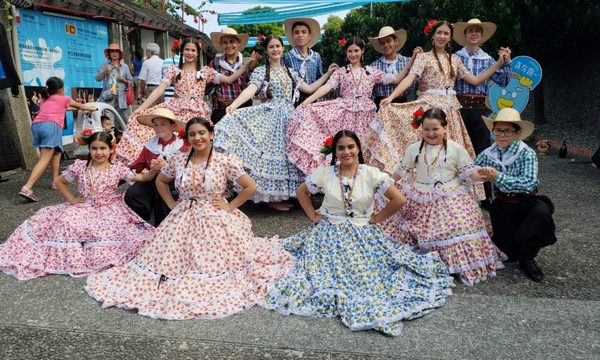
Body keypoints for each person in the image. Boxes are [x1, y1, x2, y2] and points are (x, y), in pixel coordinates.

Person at [85, 118, 293, 319]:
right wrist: (171, 204)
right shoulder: (179, 158)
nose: (197, 138)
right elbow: (161, 181)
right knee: (167, 259)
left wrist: (230, 206)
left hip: (214, 217)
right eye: (192, 134)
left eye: (202, 133)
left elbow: (250, 187)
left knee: (214, 261)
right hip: (183, 216)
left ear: (211, 134)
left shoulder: (223, 160)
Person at [261, 130, 453, 337]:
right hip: (328, 234)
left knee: (368, 275)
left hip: (362, 234)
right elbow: (302, 192)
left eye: (350, 147)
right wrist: (313, 215)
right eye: (341, 148)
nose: (346, 152)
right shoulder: (325, 173)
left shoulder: (370, 173)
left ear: (358, 148)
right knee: (325, 274)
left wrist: (377, 218)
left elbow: (399, 199)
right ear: (334, 151)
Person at [1, 132, 158, 280]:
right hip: (84, 205)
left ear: (111, 149)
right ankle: (70, 257)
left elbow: (141, 177)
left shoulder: (117, 167)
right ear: (89, 149)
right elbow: (59, 181)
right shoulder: (81, 166)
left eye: (103, 148)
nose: (98, 152)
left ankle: (96, 253)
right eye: (94, 148)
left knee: (109, 229)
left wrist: (154, 170)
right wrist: (72, 199)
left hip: (109, 207)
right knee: (67, 223)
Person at [364, 20, 510, 175]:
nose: (442, 36)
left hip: (451, 112)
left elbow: (475, 80)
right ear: (433, 36)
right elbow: (409, 78)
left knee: (451, 153)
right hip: (430, 108)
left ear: (450, 38)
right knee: (426, 150)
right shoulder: (423, 57)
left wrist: (499, 63)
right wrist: (391, 97)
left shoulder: (455, 59)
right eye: (439, 33)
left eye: (446, 33)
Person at [379, 108, 506, 286]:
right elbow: (400, 172)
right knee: (417, 231)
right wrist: (383, 186)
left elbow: (469, 173)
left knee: (460, 225)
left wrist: (483, 174)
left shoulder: (455, 148)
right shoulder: (414, 149)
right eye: (427, 129)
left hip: (451, 194)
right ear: (421, 129)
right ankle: (434, 262)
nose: (431, 133)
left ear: (445, 128)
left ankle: (459, 264)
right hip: (421, 197)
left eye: (435, 129)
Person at [214, 35, 335, 211]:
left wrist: (327, 74)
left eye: (278, 46)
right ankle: (271, 198)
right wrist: (235, 104)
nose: (275, 49)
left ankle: (284, 194)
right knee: (272, 153)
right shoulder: (262, 70)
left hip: (290, 116)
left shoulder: (290, 72)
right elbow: (252, 89)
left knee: (288, 156)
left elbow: (309, 89)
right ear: (267, 51)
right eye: (271, 47)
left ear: (282, 48)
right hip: (271, 115)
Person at [115, 38, 257, 165]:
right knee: (170, 139)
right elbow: (160, 90)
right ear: (182, 51)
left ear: (197, 53)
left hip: (198, 112)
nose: (190, 53)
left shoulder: (207, 71)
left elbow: (230, 79)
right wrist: (142, 108)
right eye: (187, 49)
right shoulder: (174, 70)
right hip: (177, 109)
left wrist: (246, 65)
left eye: (193, 50)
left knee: (197, 141)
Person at [285, 37, 408, 175]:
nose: (353, 54)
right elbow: (327, 87)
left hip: (366, 114)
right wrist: (307, 102)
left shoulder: (371, 71)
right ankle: (342, 178)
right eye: (350, 51)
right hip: (345, 113)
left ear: (362, 51)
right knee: (345, 145)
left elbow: (396, 79)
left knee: (364, 145)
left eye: (356, 50)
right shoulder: (341, 72)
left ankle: (363, 179)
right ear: (346, 52)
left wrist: (413, 60)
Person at [475, 108, 557, 282]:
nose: (502, 135)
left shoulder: (526, 153)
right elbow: (471, 169)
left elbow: (528, 182)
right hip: (503, 203)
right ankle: (514, 250)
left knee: (540, 214)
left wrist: (497, 176)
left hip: (527, 201)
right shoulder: (489, 154)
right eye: (498, 130)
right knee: (508, 253)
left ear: (517, 132)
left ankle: (528, 258)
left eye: (507, 131)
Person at [454, 19, 512, 207]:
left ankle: (486, 195)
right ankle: (459, 193)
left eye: (477, 31)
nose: (473, 34)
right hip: (458, 107)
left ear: (481, 35)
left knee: (483, 151)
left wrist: (507, 62)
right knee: (458, 150)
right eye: (470, 31)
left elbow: (503, 81)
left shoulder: (488, 59)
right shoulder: (455, 57)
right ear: (465, 35)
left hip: (479, 108)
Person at [18, 77, 98, 202]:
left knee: (56, 151)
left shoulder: (45, 99)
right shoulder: (64, 98)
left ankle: (55, 181)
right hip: (51, 126)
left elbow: (60, 108)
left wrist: (70, 108)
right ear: (61, 89)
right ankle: (27, 187)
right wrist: (94, 108)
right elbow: (82, 106)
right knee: (44, 159)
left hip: (37, 125)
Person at [125, 108, 187, 226]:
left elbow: (187, 168)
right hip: (152, 180)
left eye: (163, 124)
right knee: (133, 194)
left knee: (163, 196)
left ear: (173, 127)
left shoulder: (182, 146)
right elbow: (135, 166)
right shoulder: (151, 145)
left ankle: (163, 229)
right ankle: (141, 224)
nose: (158, 128)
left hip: (173, 184)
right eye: (155, 125)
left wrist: (168, 168)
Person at [281, 17, 336, 105]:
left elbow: (319, 78)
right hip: (293, 102)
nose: (300, 35)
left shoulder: (316, 56)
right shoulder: (286, 57)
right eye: (296, 32)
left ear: (309, 35)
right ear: (292, 36)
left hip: (313, 101)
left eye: (304, 32)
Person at [208, 28, 255, 124]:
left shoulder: (247, 62)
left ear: (238, 43)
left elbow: (254, 87)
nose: (229, 45)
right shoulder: (215, 63)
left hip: (243, 109)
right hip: (221, 110)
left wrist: (252, 68)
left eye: (232, 42)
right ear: (221, 45)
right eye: (225, 42)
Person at [369, 26, 421, 109]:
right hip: (382, 106)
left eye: (388, 41)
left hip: (404, 105)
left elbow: (417, 84)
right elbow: (372, 91)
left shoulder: (408, 61)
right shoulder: (374, 66)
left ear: (396, 41)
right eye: (382, 43)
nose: (386, 45)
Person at [96, 43, 133, 123]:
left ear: (119, 53)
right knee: (109, 124)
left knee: (126, 122)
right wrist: (104, 71)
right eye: (112, 51)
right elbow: (97, 78)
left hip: (122, 99)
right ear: (109, 53)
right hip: (108, 99)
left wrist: (124, 80)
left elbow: (131, 82)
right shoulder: (104, 65)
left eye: (116, 51)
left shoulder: (125, 66)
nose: (114, 53)